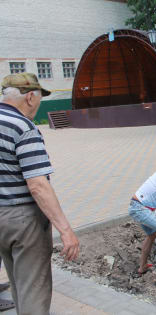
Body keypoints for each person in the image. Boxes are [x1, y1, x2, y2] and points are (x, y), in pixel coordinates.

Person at [0, 73, 79, 315]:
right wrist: (66, 231)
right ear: (31, 97)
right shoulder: (23, 127)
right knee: (33, 289)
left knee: (17, 281)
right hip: (23, 220)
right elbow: (38, 185)